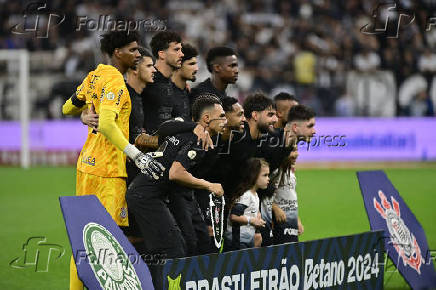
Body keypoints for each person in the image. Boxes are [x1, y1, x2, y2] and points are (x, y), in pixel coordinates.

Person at [62, 30, 164, 290]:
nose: (138, 53)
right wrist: (136, 154)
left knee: (82, 240)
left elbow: (67, 107)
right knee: (108, 243)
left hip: (86, 165)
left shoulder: (95, 75)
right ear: (117, 52)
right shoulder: (116, 82)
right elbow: (107, 123)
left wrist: (83, 113)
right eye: (133, 49)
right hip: (108, 171)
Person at [126, 95, 227, 285]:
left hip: (146, 194)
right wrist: (209, 185)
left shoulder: (187, 133)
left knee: (167, 249)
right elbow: (175, 173)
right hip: (146, 197)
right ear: (206, 119)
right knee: (173, 250)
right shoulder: (198, 140)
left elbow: (164, 131)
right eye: (221, 116)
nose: (225, 121)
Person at [272, 105, 316, 244]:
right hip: (274, 224)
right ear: (296, 128)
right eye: (310, 126)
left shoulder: (287, 156)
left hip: (288, 221)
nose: (314, 131)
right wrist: (274, 209)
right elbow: (257, 188)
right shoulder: (274, 152)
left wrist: (295, 218)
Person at [141, 31, 184, 133]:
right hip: (144, 146)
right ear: (162, 54)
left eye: (181, 50)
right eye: (176, 50)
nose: (182, 54)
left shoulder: (172, 84)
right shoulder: (146, 80)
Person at [225, 158, 269, 251]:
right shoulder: (246, 195)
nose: (268, 179)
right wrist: (252, 221)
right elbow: (234, 216)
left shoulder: (255, 195)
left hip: (247, 241)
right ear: (254, 175)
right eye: (265, 175)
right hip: (237, 242)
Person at [171, 43, 199, 121]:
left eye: (196, 64)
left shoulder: (189, 93)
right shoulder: (165, 92)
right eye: (191, 64)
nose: (196, 68)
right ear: (178, 64)